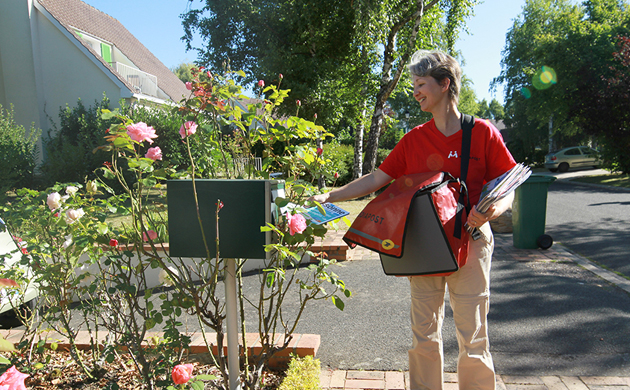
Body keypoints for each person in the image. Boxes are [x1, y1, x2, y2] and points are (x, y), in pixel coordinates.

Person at [310, 50, 516, 390]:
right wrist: (330, 195)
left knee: (474, 338)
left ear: (444, 84)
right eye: (414, 85)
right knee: (424, 334)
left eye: (421, 84)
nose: (416, 91)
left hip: (472, 241)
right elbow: (377, 179)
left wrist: (494, 210)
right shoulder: (415, 139)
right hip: (425, 247)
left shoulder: (482, 132)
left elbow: (508, 186)